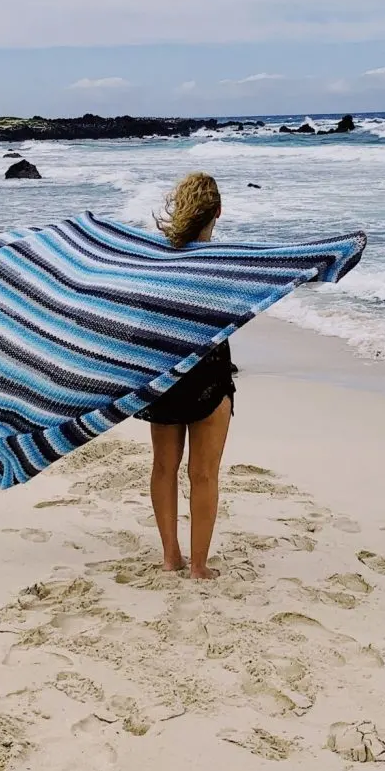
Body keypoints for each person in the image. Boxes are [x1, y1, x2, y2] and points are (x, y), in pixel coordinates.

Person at [136, 172, 236, 580]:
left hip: (166, 374)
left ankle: (170, 557)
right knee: (204, 473)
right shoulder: (226, 262)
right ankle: (198, 567)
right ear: (218, 212)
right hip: (209, 375)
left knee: (164, 466)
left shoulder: (155, 260)